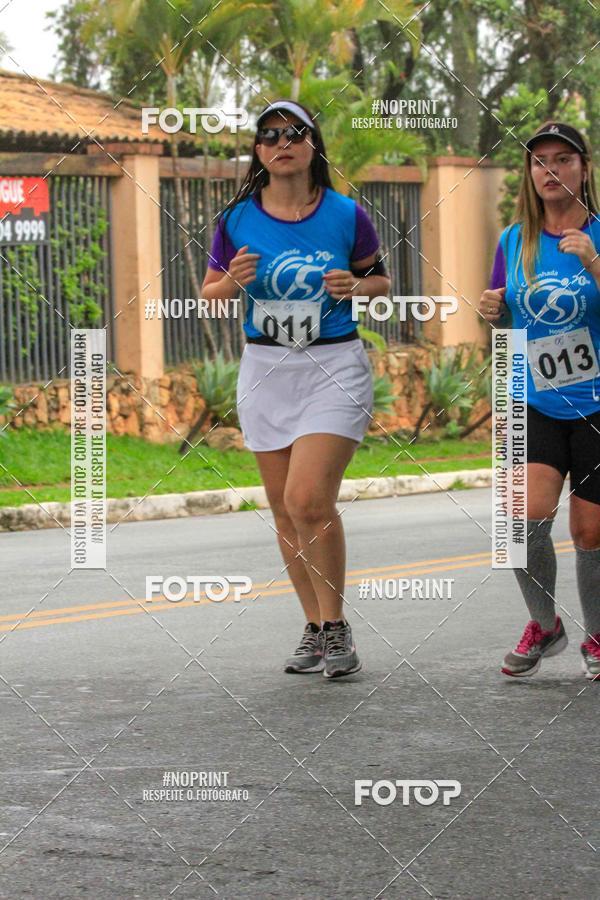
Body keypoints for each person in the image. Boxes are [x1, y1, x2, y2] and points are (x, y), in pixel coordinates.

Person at [200, 99, 391, 678]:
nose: (282, 142)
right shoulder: (235, 219)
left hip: (333, 366)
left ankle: (337, 629)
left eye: (294, 133)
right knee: (284, 512)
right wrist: (232, 280)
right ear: (259, 152)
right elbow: (209, 293)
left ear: (313, 146)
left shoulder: (345, 214)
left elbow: (382, 282)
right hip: (265, 369)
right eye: (270, 135)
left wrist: (356, 285)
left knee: (309, 499)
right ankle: (313, 625)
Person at [480, 121, 600, 680]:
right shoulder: (513, 240)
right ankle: (544, 625)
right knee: (519, 519)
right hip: (534, 397)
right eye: (538, 161)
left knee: (590, 532)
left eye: (562, 159)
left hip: (597, 405)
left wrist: (594, 263)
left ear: (584, 167)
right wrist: (493, 312)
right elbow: (510, 321)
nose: (550, 170)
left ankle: (597, 637)